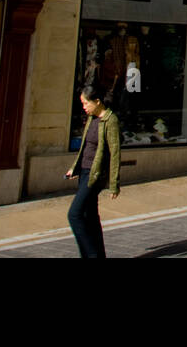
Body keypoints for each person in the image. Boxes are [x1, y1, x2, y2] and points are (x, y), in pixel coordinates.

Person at [65, 83, 120, 258]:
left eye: (86, 103)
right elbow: (85, 147)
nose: (84, 107)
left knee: (74, 214)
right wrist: (74, 168)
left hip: (95, 174)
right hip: (84, 171)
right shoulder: (91, 119)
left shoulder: (110, 121)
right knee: (90, 215)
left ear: (97, 101)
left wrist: (114, 184)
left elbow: (115, 153)